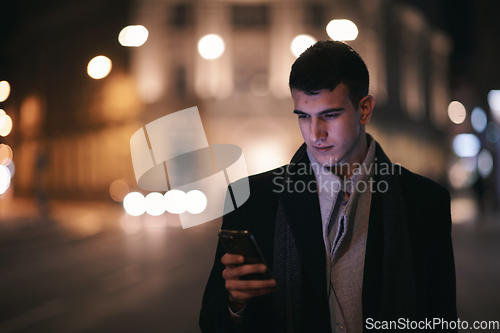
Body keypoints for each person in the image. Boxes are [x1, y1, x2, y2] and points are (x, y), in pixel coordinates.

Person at [199, 41, 457, 332]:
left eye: (330, 115)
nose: (315, 133)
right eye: (304, 117)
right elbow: (210, 322)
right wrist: (235, 304)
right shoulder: (251, 197)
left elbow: (441, 318)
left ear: (364, 110)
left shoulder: (424, 202)